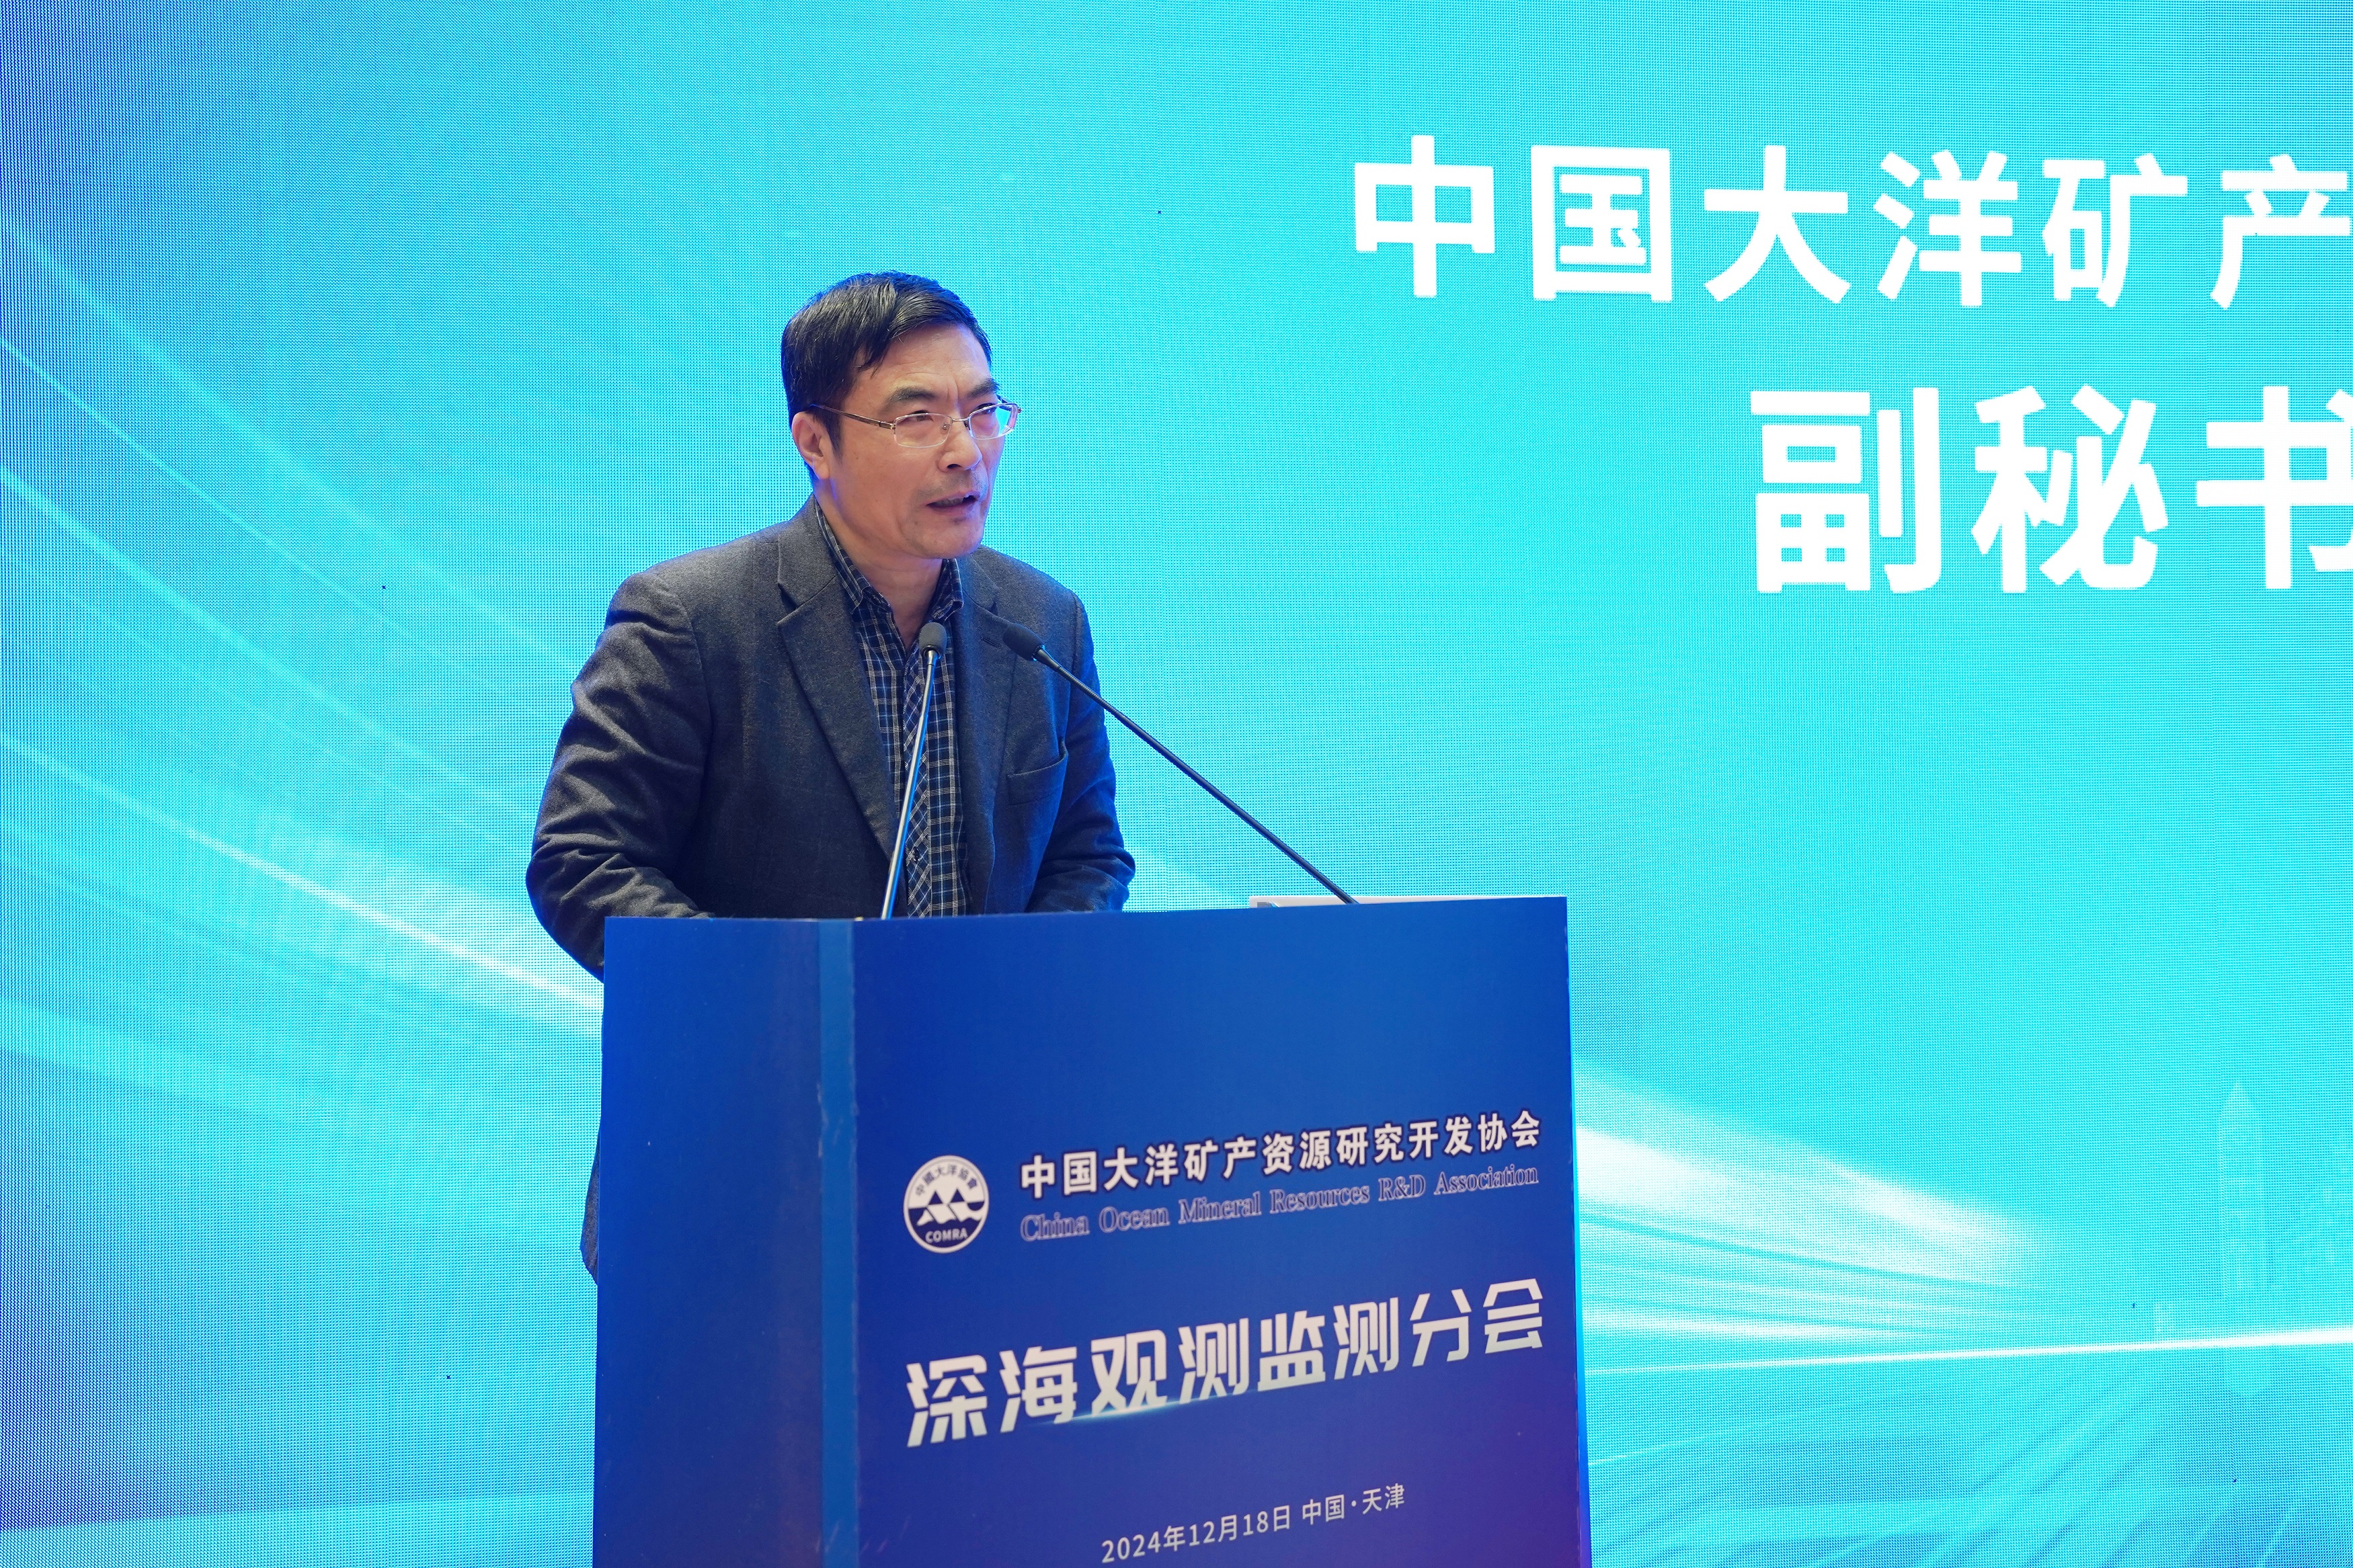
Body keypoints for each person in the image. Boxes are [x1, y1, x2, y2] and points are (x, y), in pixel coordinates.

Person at [528, 272, 1134, 1276]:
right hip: (743, 1162)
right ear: (815, 441)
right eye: (917, 417)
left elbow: (1088, 852)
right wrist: (792, 1012)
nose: (964, 450)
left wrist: (1011, 999)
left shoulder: (1042, 619)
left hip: (984, 1165)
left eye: (984, 411)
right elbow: (582, 864)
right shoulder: (691, 618)